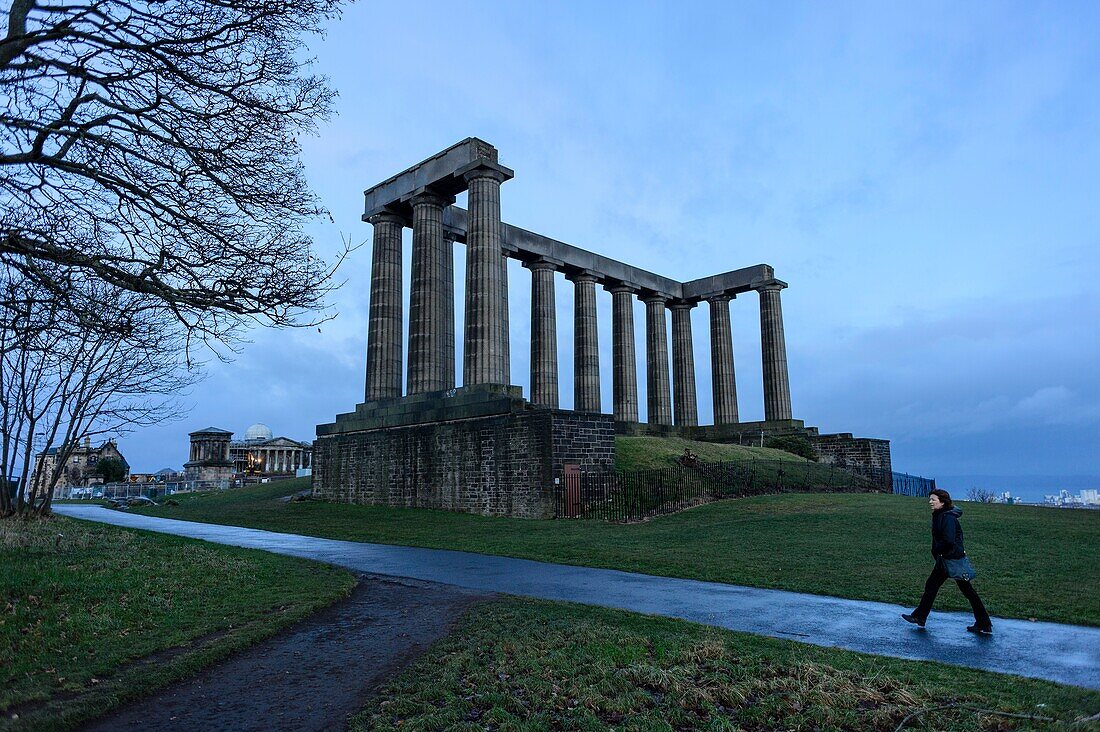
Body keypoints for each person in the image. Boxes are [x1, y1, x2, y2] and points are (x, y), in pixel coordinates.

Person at [902, 488, 993, 634]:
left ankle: (984, 622)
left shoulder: (948, 517)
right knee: (932, 585)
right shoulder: (940, 515)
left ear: (942, 502)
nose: (930, 502)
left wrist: (937, 549)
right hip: (945, 559)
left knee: (967, 591)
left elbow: (949, 540)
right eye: (930, 499)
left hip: (951, 559)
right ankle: (920, 616)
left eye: (933, 499)